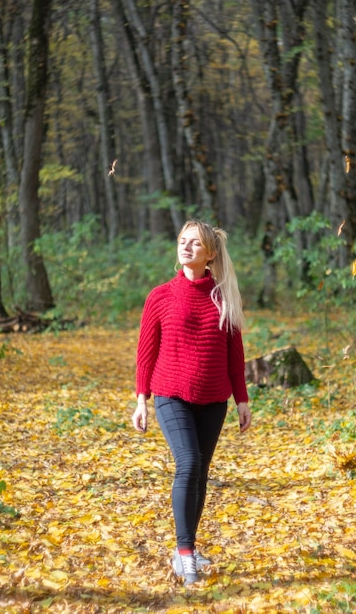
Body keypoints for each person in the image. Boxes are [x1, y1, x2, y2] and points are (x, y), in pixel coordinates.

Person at [132, 219, 251, 586]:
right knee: (189, 462)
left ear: (210, 254)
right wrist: (141, 400)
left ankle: (188, 548)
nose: (186, 247)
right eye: (183, 241)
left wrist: (242, 399)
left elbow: (235, 354)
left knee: (200, 473)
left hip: (214, 398)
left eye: (195, 244)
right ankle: (185, 554)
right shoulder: (160, 296)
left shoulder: (222, 296)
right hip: (170, 393)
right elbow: (146, 351)